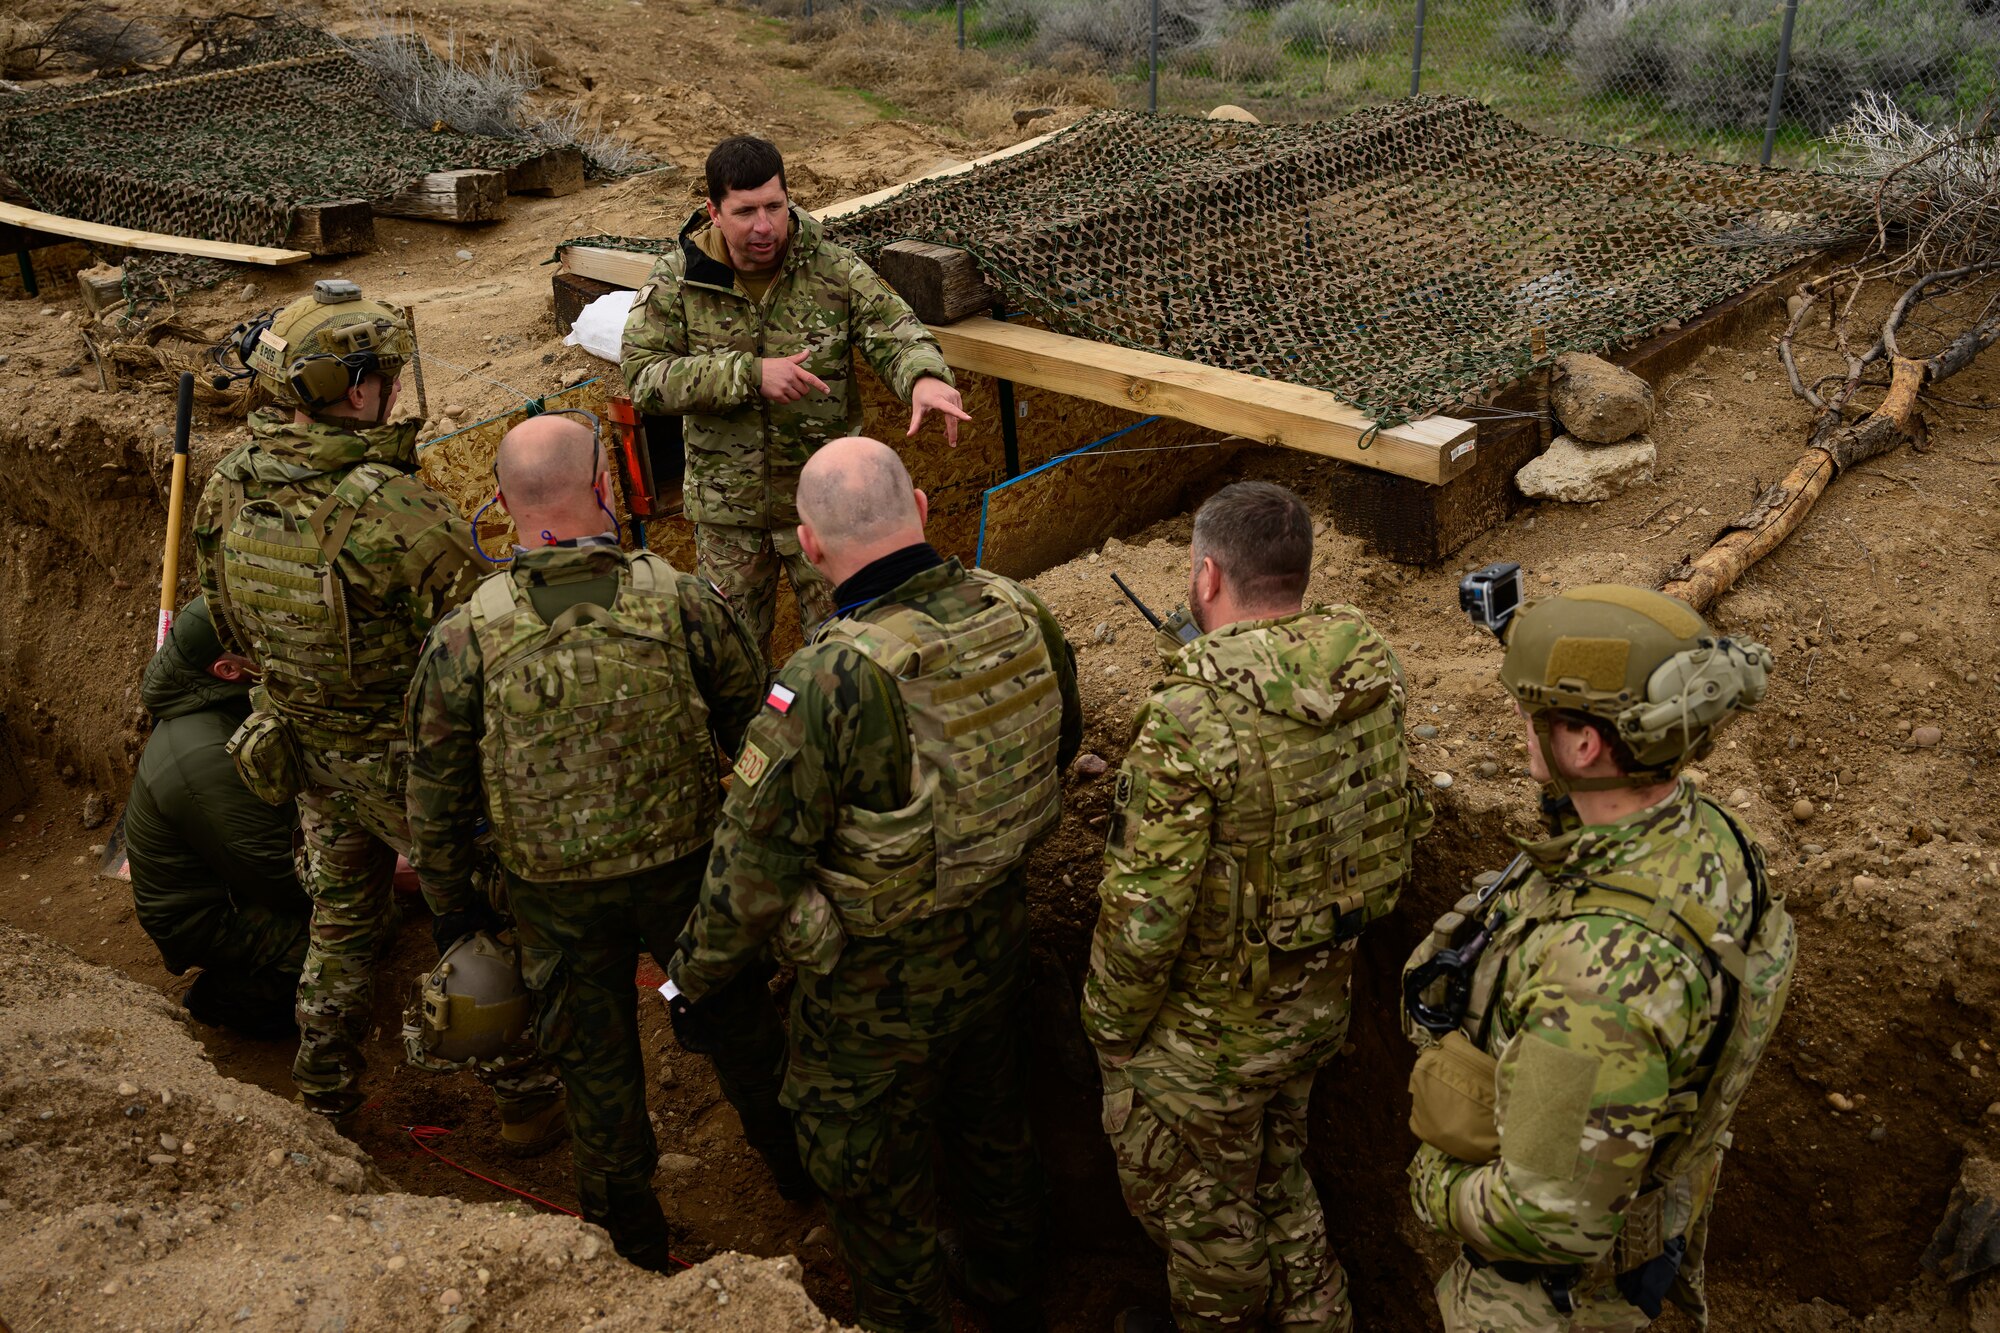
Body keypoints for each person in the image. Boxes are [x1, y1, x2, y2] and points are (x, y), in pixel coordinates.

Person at [666, 436, 1081, 1333]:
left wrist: (686, 979)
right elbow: (1061, 741)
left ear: (808, 547)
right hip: (997, 938)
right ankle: (1011, 1290)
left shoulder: (825, 681)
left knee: (864, 1163)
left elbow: (750, 873)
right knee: (992, 1118)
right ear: (923, 509)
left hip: (872, 990)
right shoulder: (1021, 611)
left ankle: (909, 1314)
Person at [403, 412, 798, 1271]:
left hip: (552, 902)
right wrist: (758, 865)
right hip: (691, 884)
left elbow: (432, 805)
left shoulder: (463, 641)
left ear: (501, 504)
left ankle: (630, 1251)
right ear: (608, 488)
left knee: (597, 1078)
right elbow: (763, 735)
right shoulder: (686, 600)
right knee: (745, 1035)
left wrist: (455, 915)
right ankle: (806, 1180)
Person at [192, 281, 563, 1147]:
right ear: (353, 388)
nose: (394, 387)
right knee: (475, 922)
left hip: (307, 751)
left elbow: (228, 622)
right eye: (384, 373)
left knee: (341, 925)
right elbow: (480, 639)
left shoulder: (226, 490)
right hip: (412, 768)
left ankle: (322, 1091)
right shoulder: (391, 506)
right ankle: (525, 1095)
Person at [1082, 481, 1433, 1333]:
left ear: (1206, 577)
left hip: (1208, 1042)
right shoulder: (1369, 671)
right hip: (1314, 1011)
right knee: (1278, 1172)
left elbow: (1144, 916)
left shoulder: (1188, 719)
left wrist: (1110, 1032)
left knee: (1204, 1216)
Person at [1400, 585, 1794, 1331]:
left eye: (1531, 719)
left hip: (1552, 1298)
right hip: (1655, 1210)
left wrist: (1433, 1184)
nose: (1522, 733)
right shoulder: (1714, 835)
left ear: (1583, 743)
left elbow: (1545, 1217)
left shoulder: (1597, 979)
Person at [620, 134, 970, 652]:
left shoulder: (832, 268)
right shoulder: (679, 279)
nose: (764, 226)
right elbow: (643, 376)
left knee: (847, 654)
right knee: (730, 660)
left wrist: (924, 377)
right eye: (745, 212)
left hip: (826, 513)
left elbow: (897, 332)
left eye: (774, 207)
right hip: (727, 517)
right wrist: (748, 375)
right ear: (713, 211)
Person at [126, 595, 310, 1041]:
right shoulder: (204, 755)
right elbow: (274, 873)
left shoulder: (216, 700)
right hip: (204, 917)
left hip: (227, 878)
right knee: (350, 936)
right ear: (227, 670)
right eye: (260, 644)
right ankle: (225, 999)